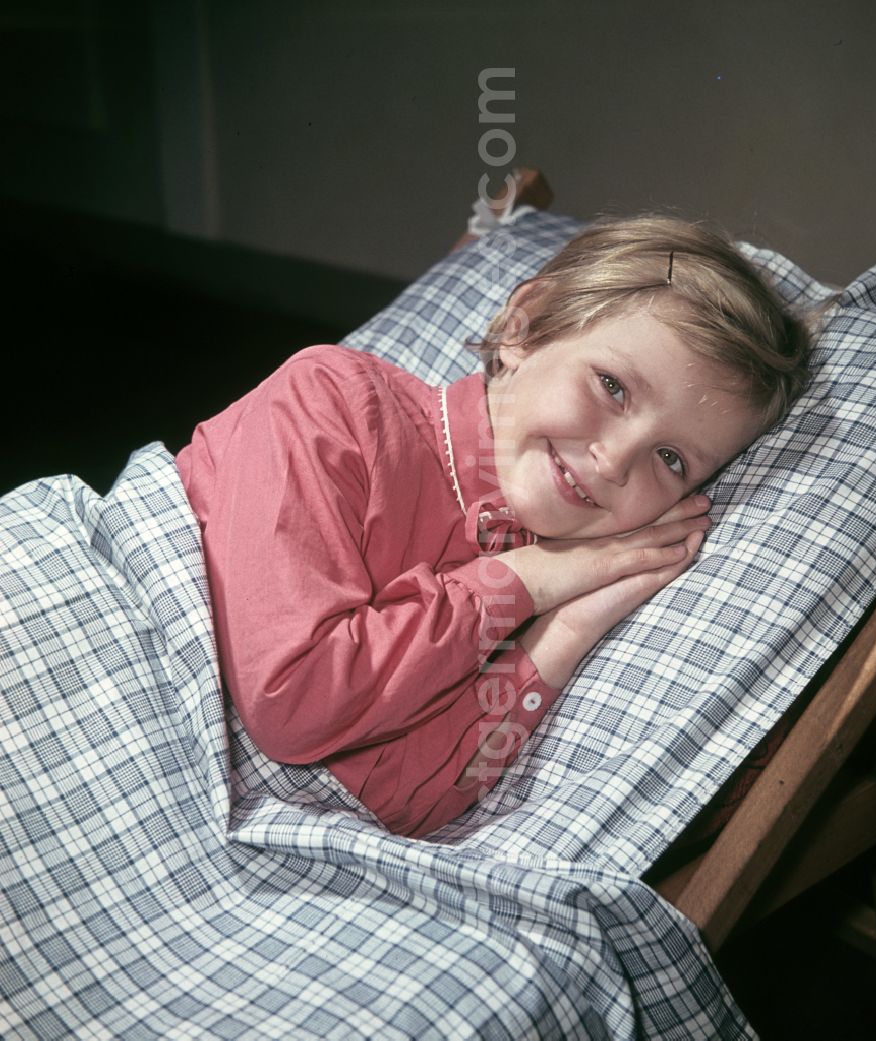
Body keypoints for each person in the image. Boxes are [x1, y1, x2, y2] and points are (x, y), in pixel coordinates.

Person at [175, 215, 813, 839]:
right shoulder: (334, 402)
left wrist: (567, 630)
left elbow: (392, 805)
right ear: (523, 328)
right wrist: (525, 582)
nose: (615, 462)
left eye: (671, 460)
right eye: (613, 388)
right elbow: (294, 702)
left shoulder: (552, 570)